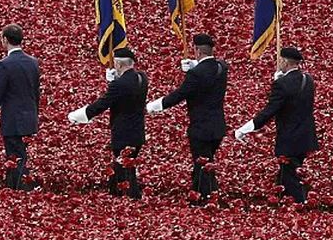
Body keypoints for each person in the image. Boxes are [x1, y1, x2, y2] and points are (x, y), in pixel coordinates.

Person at [146, 33, 229, 205]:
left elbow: (180, 94)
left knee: (202, 163)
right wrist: (195, 66)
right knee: (207, 161)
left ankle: (204, 198)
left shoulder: (196, 74)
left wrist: (157, 105)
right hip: (218, 125)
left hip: (201, 126)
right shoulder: (222, 67)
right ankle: (205, 193)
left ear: (197, 51)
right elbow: (212, 67)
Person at [233, 47, 318, 205]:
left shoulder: (282, 84)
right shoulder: (308, 79)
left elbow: (269, 111)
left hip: (289, 137)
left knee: (289, 174)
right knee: (290, 171)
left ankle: (300, 204)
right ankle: (284, 202)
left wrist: (245, 129)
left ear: (285, 62)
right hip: (305, 135)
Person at [67, 48, 149, 199]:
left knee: (124, 169)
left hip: (122, 132)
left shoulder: (119, 85)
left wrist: (82, 115)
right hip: (137, 131)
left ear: (118, 64)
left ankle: (128, 197)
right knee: (125, 166)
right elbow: (127, 92)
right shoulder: (142, 78)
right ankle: (119, 194)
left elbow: (103, 103)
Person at [0, 24, 41, 190]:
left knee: (15, 158)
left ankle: (20, 190)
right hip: (29, 118)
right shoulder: (33, 62)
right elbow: (36, 92)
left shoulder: (4, 65)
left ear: (5, 40)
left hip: (12, 120)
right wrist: (35, 115)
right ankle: (16, 188)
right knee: (21, 156)